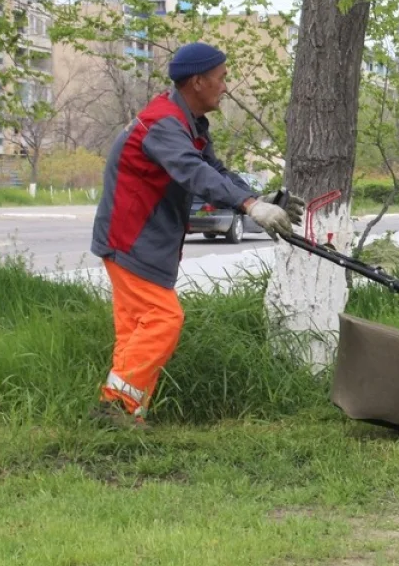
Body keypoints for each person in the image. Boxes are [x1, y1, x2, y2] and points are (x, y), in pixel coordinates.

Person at [88, 42, 304, 429]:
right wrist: (250, 208)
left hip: (143, 239)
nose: (226, 86)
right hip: (132, 237)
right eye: (221, 78)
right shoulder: (164, 124)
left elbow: (215, 170)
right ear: (198, 80)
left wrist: (257, 199)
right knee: (162, 320)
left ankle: (126, 416)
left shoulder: (189, 124)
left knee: (137, 331)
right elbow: (194, 173)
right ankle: (114, 407)